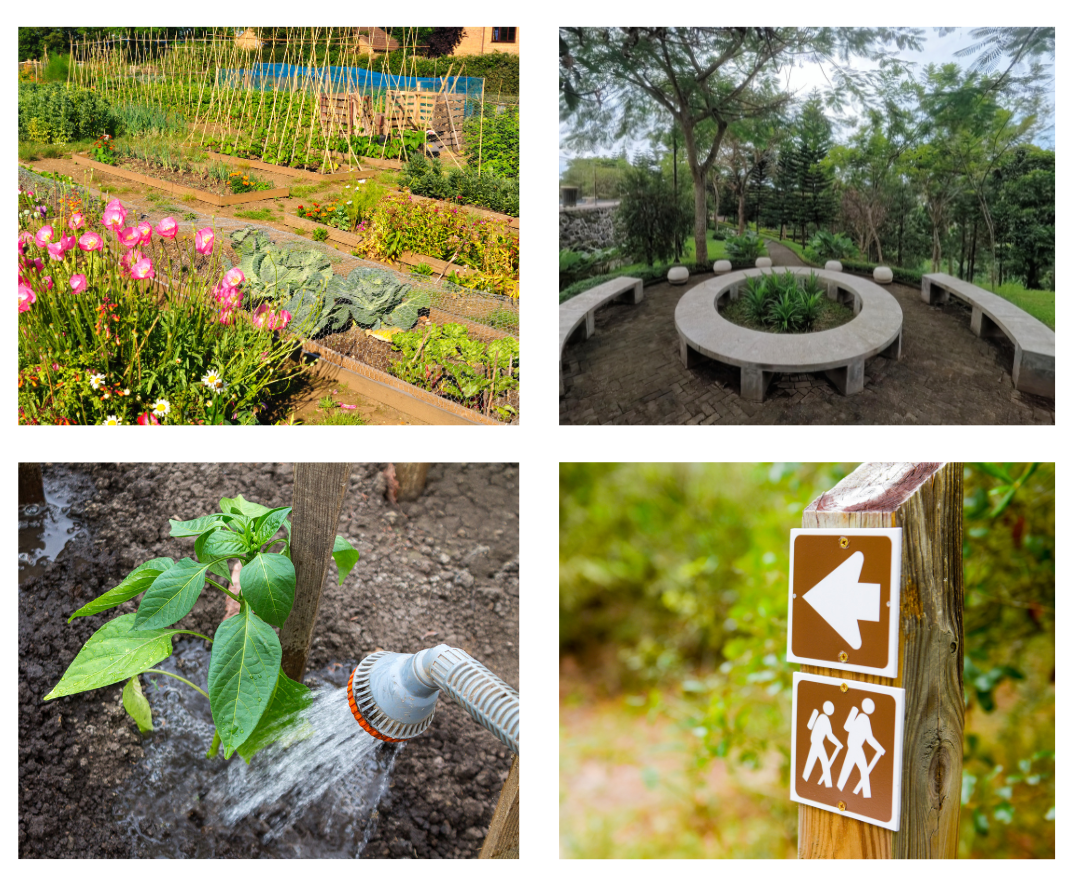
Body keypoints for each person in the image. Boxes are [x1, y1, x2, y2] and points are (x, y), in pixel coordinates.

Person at [837, 698, 886, 798]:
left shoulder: (860, 717)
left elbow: (868, 737)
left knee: (847, 769)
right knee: (863, 770)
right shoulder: (864, 718)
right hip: (855, 747)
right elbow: (869, 738)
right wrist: (880, 748)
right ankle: (866, 795)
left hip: (853, 746)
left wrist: (879, 748)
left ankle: (839, 789)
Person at [802, 700, 843, 787]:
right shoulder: (824, 718)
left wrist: (838, 743)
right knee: (824, 762)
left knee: (812, 762)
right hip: (817, 742)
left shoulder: (822, 717)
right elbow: (829, 735)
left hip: (816, 742)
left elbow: (828, 735)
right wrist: (838, 743)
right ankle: (828, 785)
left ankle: (805, 779)